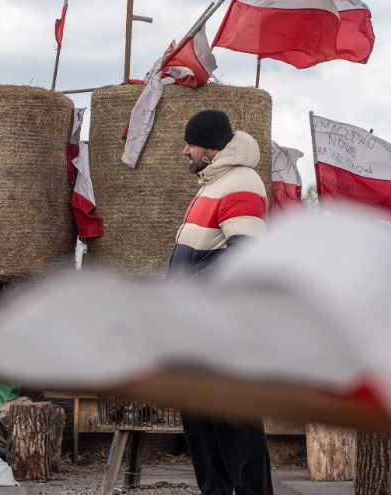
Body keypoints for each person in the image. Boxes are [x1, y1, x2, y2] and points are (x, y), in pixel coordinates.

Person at [169, 109, 273, 495]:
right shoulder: (215, 183)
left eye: (191, 143)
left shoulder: (241, 183)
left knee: (234, 424)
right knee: (202, 426)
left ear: (211, 147)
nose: (186, 151)